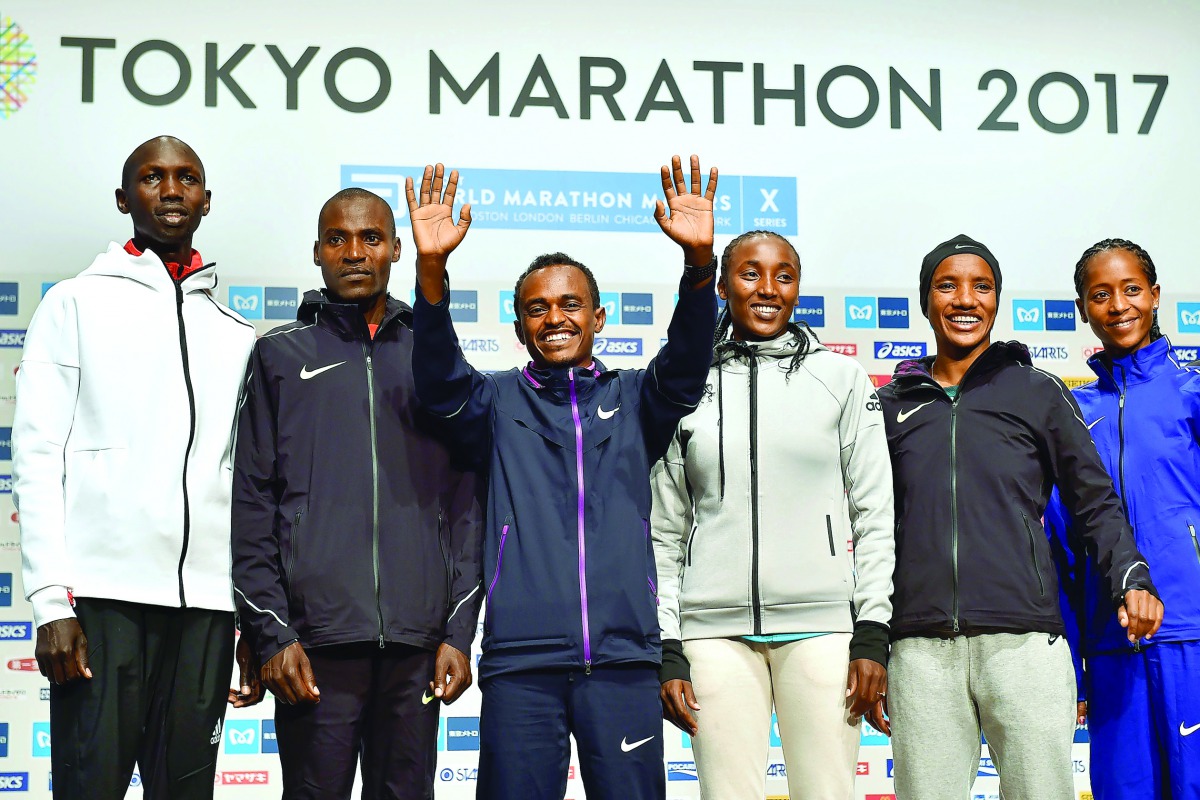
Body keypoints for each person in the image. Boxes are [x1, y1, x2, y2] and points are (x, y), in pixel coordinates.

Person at [406, 157, 718, 800]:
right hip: (522, 664)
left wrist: (698, 267)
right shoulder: (493, 403)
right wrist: (432, 276)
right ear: (520, 328)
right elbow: (437, 382)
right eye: (538, 309)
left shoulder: (636, 399)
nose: (555, 319)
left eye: (570, 305)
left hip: (625, 662)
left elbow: (687, 365)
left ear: (599, 318)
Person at [12, 135, 261, 800]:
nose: (172, 189)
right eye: (153, 177)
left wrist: (248, 615)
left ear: (207, 200)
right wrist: (48, 603)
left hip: (205, 612)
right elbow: (36, 460)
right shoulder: (74, 304)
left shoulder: (237, 333)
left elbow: (246, 486)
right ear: (125, 198)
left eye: (187, 178)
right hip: (100, 605)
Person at [876, 234, 1163, 800]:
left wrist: (1131, 578)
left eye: (981, 287)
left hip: (1027, 642)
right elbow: (867, 524)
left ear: (997, 301)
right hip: (919, 646)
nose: (964, 299)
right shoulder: (891, 405)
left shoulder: (1038, 392)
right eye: (947, 285)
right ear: (925, 301)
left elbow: (1094, 502)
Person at [231, 188, 484, 800]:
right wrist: (272, 632)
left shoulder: (433, 358)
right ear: (316, 251)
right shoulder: (278, 356)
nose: (354, 252)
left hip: (416, 646)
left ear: (396, 249)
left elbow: (466, 504)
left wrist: (456, 632)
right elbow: (251, 505)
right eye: (337, 239)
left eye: (370, 238)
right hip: (313, 646)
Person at [652, 230, 895, 799]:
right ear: (721, 286)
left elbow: (875, 515)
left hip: (825, 634)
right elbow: (662, 530)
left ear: (798, 288)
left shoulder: (841, 380)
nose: (767, 289)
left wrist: (871, 633)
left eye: (783, 276)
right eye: (750, 274)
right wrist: (667, 644)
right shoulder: (686, 385)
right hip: (713, 635)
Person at [1044, 238, 1200, 799]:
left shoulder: (1191, 393)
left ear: (1155, 296)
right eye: (1101, 295)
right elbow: (1059, 545)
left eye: (1131, 290)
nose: (1118, 306)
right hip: (1110, 645)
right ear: (1084, 310)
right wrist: (1076, 664)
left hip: (1191, 635)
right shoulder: (1072, 414)